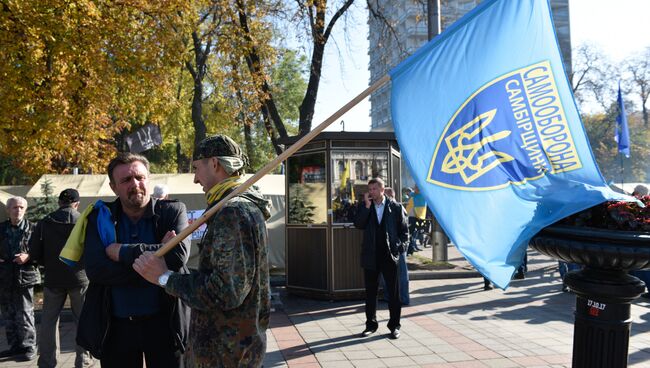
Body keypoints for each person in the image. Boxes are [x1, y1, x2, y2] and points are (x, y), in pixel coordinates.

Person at [133, 134, 271, 367]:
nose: (196, 179)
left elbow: (226, 292)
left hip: (224, 351)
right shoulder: (239, 207)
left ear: (214, 164)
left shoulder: (233, 213)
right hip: (234, 346)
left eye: (196, 168)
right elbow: (227, 278)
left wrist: (165, 277)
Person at [79, 153, 190, 367]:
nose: (135, 184)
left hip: (165, 325)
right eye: (126, 180)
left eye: (140, 177)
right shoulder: (100, 217)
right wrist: (155, 264)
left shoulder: (172, 211)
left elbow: (177, 257)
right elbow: (95, 269)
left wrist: (120, 252)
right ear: (113, 187)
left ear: (148, 179)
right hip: (116, 330)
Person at [29, 189, 93, 368]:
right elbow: (92, 249)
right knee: (82, 320)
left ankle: (47, 362)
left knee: (49, 321)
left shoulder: (45, 222)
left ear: (59, 203)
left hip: (53, 278)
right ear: (77, 204)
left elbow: (34, 252)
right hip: (79, 278)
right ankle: (83, 360)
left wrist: (48, 264)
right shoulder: (85, 221)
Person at [354, 178, 408, 339]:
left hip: (390, 256)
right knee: (370, 293)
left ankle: (394, 326)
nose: (371, 192)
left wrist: (399, 248)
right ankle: (370, 325)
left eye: (374, 189)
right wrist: (366, 207)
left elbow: (405, 232)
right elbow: (358, 224)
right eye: (369, 189)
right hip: (371, 256)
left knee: (393, 293)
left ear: (382, 190)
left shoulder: (396, 207)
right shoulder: (366, 206)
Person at [0, 196, 37, 362]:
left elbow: (41, 252)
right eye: (15, 207)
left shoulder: (33, 229)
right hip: (4, 276)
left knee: (25, 313)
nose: (18, 210)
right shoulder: (1, 229)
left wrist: (28, 256)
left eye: (21, 207)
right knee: (8, 313)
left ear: (25, 209)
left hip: (25, 276)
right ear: (8, 210)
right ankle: (15, 346)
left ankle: (29, 346)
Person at [381, 187, 410, 305]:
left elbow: (404, 229)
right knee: (386, 273)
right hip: (386, 246)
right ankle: (388, 296)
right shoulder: (384, 208)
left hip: (397, 246)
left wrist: (401, 244)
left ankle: (403, 298)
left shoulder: (398, 208)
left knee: (401, 274)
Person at [405, 185, 429, 254]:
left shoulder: (422, 194)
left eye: (418, 188)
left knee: (416, 232)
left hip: (419, 216)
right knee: (412, 233)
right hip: (412, 216)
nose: (416, 189)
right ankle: (411, 248)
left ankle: (413, 247)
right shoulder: (412, 195)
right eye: (416, 188)